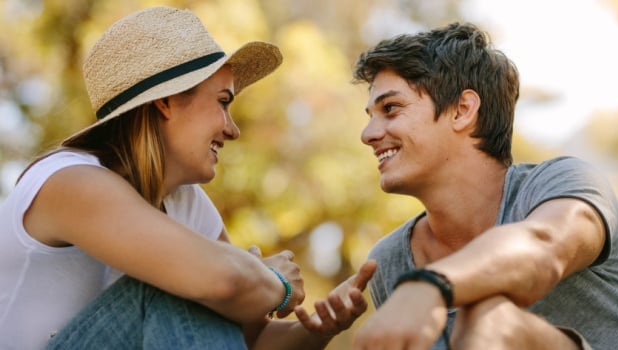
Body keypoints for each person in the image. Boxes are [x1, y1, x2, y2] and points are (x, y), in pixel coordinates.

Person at [0, 6, 375, 350]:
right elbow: (224, 282)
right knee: (176, 285)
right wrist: (273, 281)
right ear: (166, 101)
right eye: (223, 102)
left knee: (195, 285)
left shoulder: (187, 202)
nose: (233, 130)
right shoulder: (69, 182)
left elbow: (248, 336)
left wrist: (318, 328)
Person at [350, 22, 618, 349]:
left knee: (491, 322)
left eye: (390, 109)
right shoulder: (389, 260)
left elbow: (543, 248)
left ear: (462, 111)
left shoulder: (565, 184)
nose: (368, 134)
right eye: (370, 115)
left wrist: (431, 284)